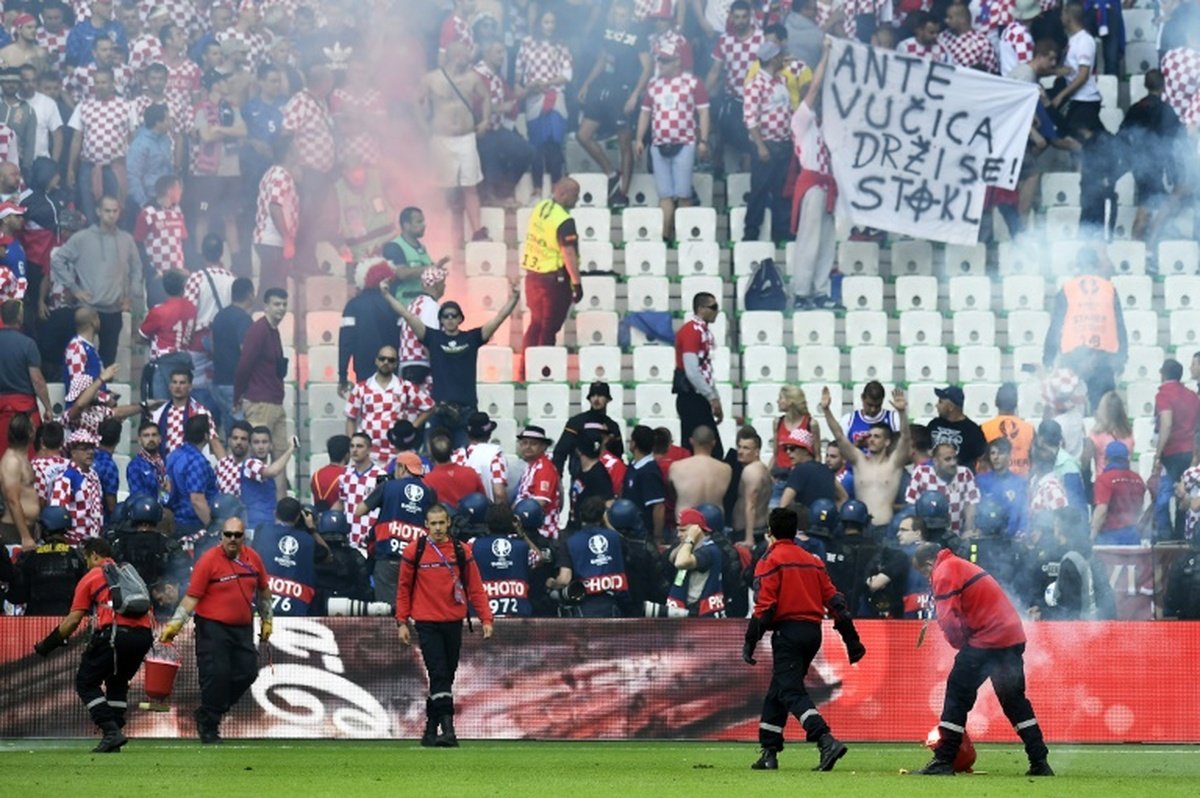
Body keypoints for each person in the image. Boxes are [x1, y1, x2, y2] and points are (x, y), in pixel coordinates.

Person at [911, 542, 1053, 776]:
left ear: (929, 563)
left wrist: (961, 644)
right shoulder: (958, 565)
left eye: (925, 572)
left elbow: (948, 619)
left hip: (988, 639)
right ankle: (1039, 761)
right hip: (1012, 637)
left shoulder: (943, 571)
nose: (928, 577)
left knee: (957, 692)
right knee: (1014, 701)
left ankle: (944, 759)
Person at [743, 506, 861, 772]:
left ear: (770, 531)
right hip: (813, 633)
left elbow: (764, 608)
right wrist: (852, 640)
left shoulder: (769, 561)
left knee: (790, 691)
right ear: (795, 531)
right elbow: (835, 602)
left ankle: (825, 740)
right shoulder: (813, 560)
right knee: (778, 689)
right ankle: (769, 751)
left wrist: (750, 641)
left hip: (788, 633)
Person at [32, 537, 153, 753]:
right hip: (143, 636)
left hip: (115, 635)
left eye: (86, 558)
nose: (86, 563)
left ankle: (111, 731)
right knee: (117, 681)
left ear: (94, 556)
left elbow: (73, 620)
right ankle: (114, 738)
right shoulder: (128, 573)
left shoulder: (92, 576)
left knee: (86, 682)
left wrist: (47, 645)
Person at [161, 516, 271, 745]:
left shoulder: (254, 559)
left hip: (243, 627)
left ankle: (209, 712)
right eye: (228, 534)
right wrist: (175, 624)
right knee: (216, 674)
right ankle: (210, 725)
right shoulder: (208, 561)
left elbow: (264, 591)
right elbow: (192, 597)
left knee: (248, 672)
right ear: (221, 536)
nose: (232, 539)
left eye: (237, 535)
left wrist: (267, 619)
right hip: (212, 627)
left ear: (244, 537)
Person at [396, 503, 494, 747]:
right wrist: (402, 622)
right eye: (434, 524)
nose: (438, 528)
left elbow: (475, 587)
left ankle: (430, 730)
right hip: (426, 622)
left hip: (453, 621)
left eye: (442, 523)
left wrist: (486, 618)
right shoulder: (414, 551)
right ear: (426, 525)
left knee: (445, 676)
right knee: (439, 673)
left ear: (448, 523)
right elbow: (404, 589)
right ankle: (449, 730)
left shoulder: (462, 551)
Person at [386, 281, 520, 449]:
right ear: (440, 319)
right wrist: (386, 295)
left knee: (464, 457)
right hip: (439, 410)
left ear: (460, 319)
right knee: (434, 457)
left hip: (466, 411)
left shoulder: (471, 337)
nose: (449, 319)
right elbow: (408, 315)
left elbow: (499, 319)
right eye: (445, 316)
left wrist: (514, 299)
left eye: (453, 315)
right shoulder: (433, 337)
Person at [49, 195, 143, 365]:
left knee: (109, 359)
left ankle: (104, 384)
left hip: (114, 309)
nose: (111, 215)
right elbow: (57, 259)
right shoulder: (82, 238)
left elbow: (137, 267)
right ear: (98, 211)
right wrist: (74, 289)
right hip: (87, 308)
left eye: (115, 211)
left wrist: (131, 294)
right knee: (81, 358)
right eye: (107, 211)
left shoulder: (126, 239)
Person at [634, 38, 709, 242]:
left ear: (678, 61)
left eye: (665, 60)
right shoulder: (653, 84)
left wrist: (703, 141)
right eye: (659, 60)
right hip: (659, 144)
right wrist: (639, 138)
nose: (660, 64)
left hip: (684, 143)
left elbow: (703, 113)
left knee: (684, 194)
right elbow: (645, 113)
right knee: (664, 195)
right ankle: (665, 237)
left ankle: (686, 238)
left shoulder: (693, 82)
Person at [576, 1, 650, 208]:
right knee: (583, 136)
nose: (619, 19)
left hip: (623, 92)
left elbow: (647, 68)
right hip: (603, 89)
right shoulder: (607, 32)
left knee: (624, 144)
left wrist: (635, 95)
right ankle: (611, 173)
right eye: (617, 15)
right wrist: (586, 84)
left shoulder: (638, 35)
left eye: (623, 15)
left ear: (630, 15)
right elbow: (602, 60)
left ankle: (622, 193)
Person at [422, 40, 490, 245]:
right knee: (440, 187)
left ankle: (477, 232)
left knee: (470, 186)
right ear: (455, 56)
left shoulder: (472, 78)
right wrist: (423, 126)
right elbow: (416, 101)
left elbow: (486, 97)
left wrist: (485, 120)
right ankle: (437, 232)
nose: (468, 58)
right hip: (441, 138)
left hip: (466, 138)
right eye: (464, 54)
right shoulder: (431, 78)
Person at [1044, 246, 1126, 412]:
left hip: (1073, 358)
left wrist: (1048, 357)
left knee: (1070, 411)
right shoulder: (1109, 289)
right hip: (1102, 359)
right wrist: (1122, 358)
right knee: (1104, 412)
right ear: (1096, 265)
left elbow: (1056, 326)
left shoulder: (1067, 289)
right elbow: (1119, 325)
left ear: (1077, 265)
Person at [821, 386, 910, 531]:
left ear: (887, 442)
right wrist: (826, 410)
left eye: (877, 436)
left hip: (884, 527)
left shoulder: (893, 464)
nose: (871, 439)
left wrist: (902, 413)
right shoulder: (859, 461)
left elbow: (905, 439)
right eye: (870, 436)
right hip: (861, 528)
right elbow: (839, 436)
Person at [356, 450, 435, 603]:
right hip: (417, 560)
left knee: (387, 609)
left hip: (388, 557)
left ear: (402, 468)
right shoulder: (430, 492)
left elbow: (359, 511)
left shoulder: (387, 486)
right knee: (415, 606)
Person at [515, 9, 573, 200]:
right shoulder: (527, 43)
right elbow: (518, 72)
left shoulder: (561, 45)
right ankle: (537, 189)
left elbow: (567, 74)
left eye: (552, 22)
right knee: (536, 145)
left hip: (555, 97)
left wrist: (547, 83)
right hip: (533, 97)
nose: (549, 26)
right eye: (546, 22)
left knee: (554, 143)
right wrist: (528, 86)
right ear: (539, 23)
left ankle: (556, 189)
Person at [344, 344, 433, 467]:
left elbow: (429, 406)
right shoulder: (361, 388)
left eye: (391, 360)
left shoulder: (405, 387)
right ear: (376, 361)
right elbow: (351, 418)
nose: (386, 362)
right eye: (382, 359)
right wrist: (353, 447)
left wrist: (411, 427)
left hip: (396, 453)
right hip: (369, 454)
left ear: (396, 364)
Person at [520, 177, 582, 349]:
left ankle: (526, 363)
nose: (577, 199)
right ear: (562, 194)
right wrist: (577, 283)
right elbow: (568, 253)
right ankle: (543, 364)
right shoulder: (564, 220)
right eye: (575, 195)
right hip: (553, 282)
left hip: (532, 278)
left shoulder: (540, 208)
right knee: (548, 329)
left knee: (536, 324)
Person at [234, 286, 289, 468]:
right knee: (256, 459)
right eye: (277, 304)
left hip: (275, 401)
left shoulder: (273, 330)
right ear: (266, 306)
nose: (281, 308)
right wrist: (237, 396)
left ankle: (280, 489)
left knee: (280, 457)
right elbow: (244, 365)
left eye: (284, 304)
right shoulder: (258, 330)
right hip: (259, 402)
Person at [706, 1, 764, 166]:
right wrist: (701, 96)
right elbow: (715, 71)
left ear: (750, 17)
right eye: (737, 17)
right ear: (731, 17)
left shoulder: (761, 38)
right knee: (736, 142)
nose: (741, 21)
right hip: (734, 101)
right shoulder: (724, 40)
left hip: (758, 102)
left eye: (744, 17)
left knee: (753, 147)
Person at [1152, 358, 1200, 541]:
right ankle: (1183, 535)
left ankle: (1165, 536)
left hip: (1172, 452)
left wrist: (1158, 454)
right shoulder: (1192, 395)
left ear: (1163, 374)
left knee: (1164, 495)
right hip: (1190, 451)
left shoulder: (1163, 394)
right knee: (1185, 494)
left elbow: (1166, 423)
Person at [254, 498, 324, 617]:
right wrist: (312, 529)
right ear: (298, 517)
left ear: (275, 513)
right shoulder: (308, 541)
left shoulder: (261, 531)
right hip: (295, 612)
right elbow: (327, 555)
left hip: (260, 609)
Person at [9, 507, 87, 615]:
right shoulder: (78, 557)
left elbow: (16, 596)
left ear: (45, 529)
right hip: (70, 621)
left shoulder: (29, 557)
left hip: (36, 621)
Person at [338, 263, 401, 392]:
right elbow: (402, 340)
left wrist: (342, 377)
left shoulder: (353, 305)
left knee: (367, 401)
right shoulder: (395, 305)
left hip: (363, 368)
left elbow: (345, 344)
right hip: (391, 368)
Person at [0, 302, 52, 457]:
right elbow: (37, 380)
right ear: (19, 317)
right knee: (28, 458)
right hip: (24, 412)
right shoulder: (28, 344)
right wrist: (48, 408)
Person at [675, 292, 724, 453]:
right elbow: (692, 371)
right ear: (701, 309)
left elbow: (705, 370)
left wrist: (714, 397)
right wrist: (712, 397)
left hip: (698, 396)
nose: (717, 311)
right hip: (692, 397)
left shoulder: (701, 331)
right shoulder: (692, 331)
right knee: (708, 449)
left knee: (705, 448)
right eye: (713, 307)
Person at [138, 270, 196, 400]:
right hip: (185, 361)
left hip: (163, 363)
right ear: (183, 286)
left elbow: (141, 336)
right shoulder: (191, 308)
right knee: (181, 404)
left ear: (164, 287)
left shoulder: (158, 311)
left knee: (161, 404)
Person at [210, 277, 255, 437]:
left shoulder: (219, 316)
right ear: (250, 294)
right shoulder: (244, 319)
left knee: (229, 430)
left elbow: (212, 346)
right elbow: (246, 351)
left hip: (218, 382)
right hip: (236, 385)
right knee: (240, 432)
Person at [553, 381, 623, 480]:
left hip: (606, 480)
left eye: (600, 395)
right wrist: (557, 478)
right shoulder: (576, 422)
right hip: (579, 479)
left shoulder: (613, 426)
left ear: (608, 399)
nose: (596, 399)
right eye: (593, 395)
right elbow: (560, 452)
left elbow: (618, 456)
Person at [905, 443, 980, 536]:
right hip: (927, 535)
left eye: (955, 458)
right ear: (935, 461)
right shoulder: (921, 473)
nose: (953, 463)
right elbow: (911, 505)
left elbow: (971, 503)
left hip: (957, 536)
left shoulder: (964, 473)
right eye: (947, 459)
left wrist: (968, 530)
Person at [165, 414, 220, 541]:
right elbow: (197, 500)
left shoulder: (174, 455)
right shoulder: (197, 461)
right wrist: (213, 528)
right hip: (191, 525)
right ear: (206, 435)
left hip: (173, 520)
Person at [666, 507, 727, 617]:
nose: (678, 535)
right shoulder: (690, 548)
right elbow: (672, 558)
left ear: (696, 530)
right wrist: (685, 542)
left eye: (683, 530)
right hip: (686, 610)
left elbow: (680, 563)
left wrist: (690, 538)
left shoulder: (708, 551)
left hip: (701, 614)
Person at [386, 207, 452, 301]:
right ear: (406, 225)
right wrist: (431, 268)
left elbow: (429, 272)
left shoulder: (421, 247)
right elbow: (401, 273)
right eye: (419, 222)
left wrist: (439, 271)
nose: (424, 225)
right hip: (406, 304)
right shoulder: (394, 247)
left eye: (423, 221)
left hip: (426, 302)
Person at [1091, 442, 1145, 545]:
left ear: (1106, 459)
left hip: (1111, 537)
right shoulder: (1138, 479)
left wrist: (1092, 535)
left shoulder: (1104, 479)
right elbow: (1139, 508)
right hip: (1133, 535)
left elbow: (1101, 510)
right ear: (1127, 459)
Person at [668, 425, 732, 512]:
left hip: (687, 518)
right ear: (714, 443)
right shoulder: (726, 469)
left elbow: (671, 494)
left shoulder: (676, 467)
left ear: (691, 441)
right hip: (715, 518)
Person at [515, 424, 562, 541]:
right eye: (524, 443)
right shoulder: (532, 466)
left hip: (541, 533)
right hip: (529, 530)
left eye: (533, 443)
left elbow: (540, 503)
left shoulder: (544, 468)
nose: (528, 447)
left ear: (543, 447)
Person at [975, 438, 1029, 538]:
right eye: (993, 453)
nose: (996, 457)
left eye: (1000, 453)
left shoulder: (1020, 483)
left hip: (1012, 539)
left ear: (1009, 455)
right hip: (986, 538)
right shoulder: (981, 480)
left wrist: (1022, 533)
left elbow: (1023, 513)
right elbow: (976, 511)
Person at [778, 427, 842, 511]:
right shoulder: (826, 469)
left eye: (792, 448)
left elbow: (783, 505)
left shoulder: (799, 470)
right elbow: (843, 497)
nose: (788, 452)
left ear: (806, 450)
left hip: (805, 519)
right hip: (827, 518)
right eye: (786, 448)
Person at [622, 424, 667, 542]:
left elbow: (658, 506)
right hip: (629, 533)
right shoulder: (633, 466)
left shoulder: (649, 471)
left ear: (634, 444)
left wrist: (657, 538)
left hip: (643, 536)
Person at [1, 412, 39, 548]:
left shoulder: (22, 457)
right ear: (29, 433)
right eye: (33, 426)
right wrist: (25, 537)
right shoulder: (12, 461)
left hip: (28, 528)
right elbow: (13, 500)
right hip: (14, 532)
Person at [927, 386, 987, 471]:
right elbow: (926, 451)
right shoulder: (934, 424)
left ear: (951, 407)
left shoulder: (972, 430)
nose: (936, 405)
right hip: (934, 475)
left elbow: (983, 459)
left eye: (940, 402)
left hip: (960, 477)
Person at [980, 383, 1035, 476]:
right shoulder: (1029, 429)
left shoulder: (984, 428)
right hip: (1022, 480)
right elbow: (1034, 461)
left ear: (996, 403)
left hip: (992, 481)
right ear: (1016, 404)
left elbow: (980, 462)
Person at [454, 412, 508, 502]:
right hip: (486, 508)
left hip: (459, 508)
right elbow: (499, 493)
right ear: (489, 434)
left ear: (468, 434)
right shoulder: (495, 454)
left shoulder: (455, 455)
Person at [425, 429, 486, 508]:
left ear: (432, 454)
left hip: (443, 515)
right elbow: (482, 499)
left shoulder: (427, 480)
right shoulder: (471, 472)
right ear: (452, 451)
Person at [733, 427, 773, 545]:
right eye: (739, 447)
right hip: (760, 528)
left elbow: (751, 505)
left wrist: (749, 539)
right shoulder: (763, 469)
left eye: (746, 448)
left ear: (756, 452)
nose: (740, 451)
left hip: (748, 532)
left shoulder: (751, 471)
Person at [839, 380, 902, 453]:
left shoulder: (894, 418)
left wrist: (902, 412)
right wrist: (856, 446)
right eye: (869, 405)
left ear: (882, 400)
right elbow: (841, 452)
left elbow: (902, 446)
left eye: (877, 406)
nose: (873, 410)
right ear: (862, 398)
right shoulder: (848, 420)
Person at [939, 2, 998, 72]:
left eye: (950, 17)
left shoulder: (982, 42)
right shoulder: (943, 36)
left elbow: (991, 72)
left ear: (962, 19)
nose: (946, 20)